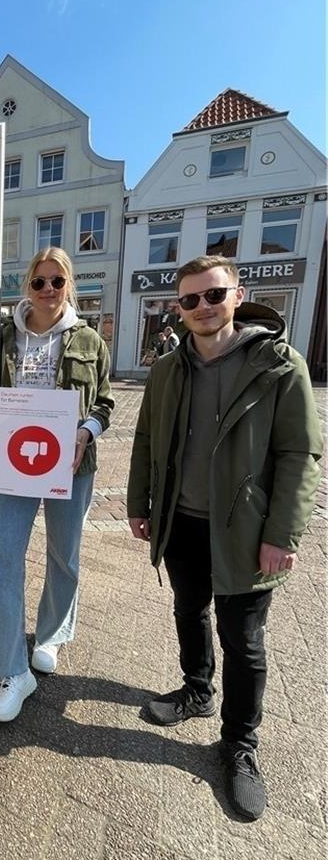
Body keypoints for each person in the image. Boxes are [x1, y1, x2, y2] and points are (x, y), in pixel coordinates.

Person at [127, 255, 322, 820]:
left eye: (213, 295)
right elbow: (144, 441)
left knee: (245, 639)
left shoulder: (278, 366)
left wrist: (282, 534)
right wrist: (141, 504)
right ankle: (196, 689)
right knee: (188, 608)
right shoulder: (168, 368)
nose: (202, 308)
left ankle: (238, 746)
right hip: (182, 520)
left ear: (237, 295)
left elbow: (299, 454)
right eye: (189, 300)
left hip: (245, 531)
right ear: (179, 309)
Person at [0, 247, 114, 721]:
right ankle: (12, 668)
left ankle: (52, 634)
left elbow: (106, 403)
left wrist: (85, 432)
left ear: (69, 285)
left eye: (57, 281)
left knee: (64, 553)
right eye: (40, 281)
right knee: (2, 556)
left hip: (72, 463)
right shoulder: (4, 338)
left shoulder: (91, 341)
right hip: (15, 463)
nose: (48, 290)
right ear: (27, 286)